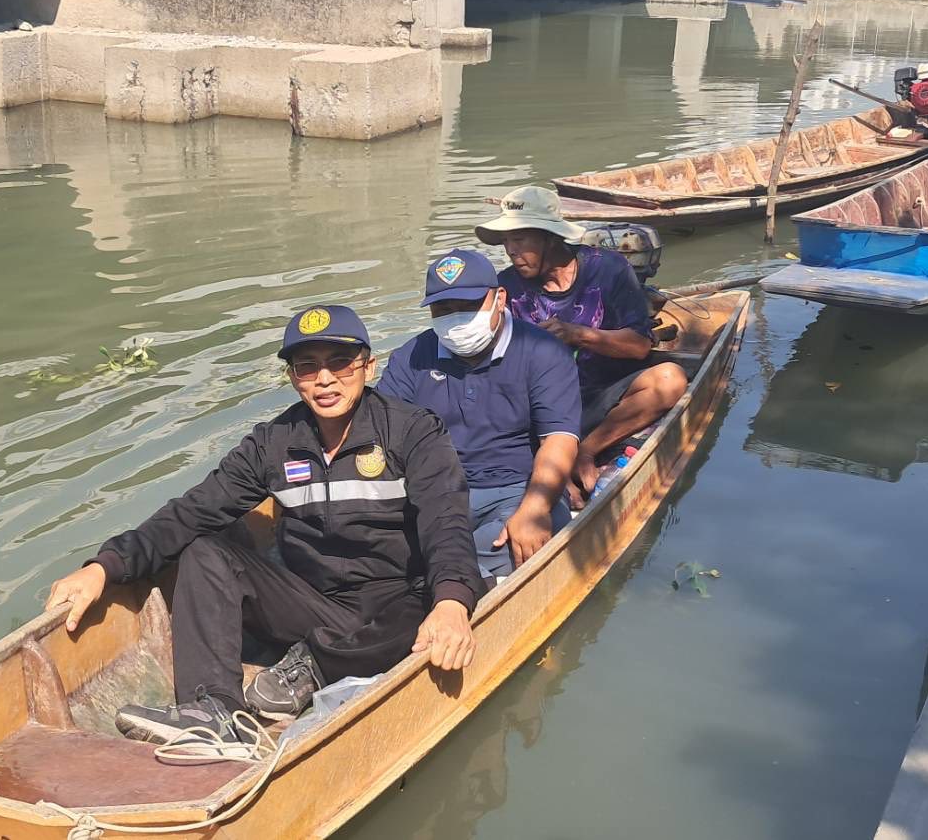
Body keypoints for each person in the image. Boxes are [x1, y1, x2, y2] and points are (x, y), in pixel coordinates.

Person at [42, 305, 485, 755]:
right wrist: (104, 566)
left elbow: (445, 521)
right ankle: (212, 710)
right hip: (314, 602)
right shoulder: (273, 444)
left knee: (430, 604)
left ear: (367, 366)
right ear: (292, 377)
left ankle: (313, 665)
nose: (325, 379)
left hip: (396, 603)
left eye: (339, 363)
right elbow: (192, 512)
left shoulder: (412, 432)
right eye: (307, 367)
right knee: (205, 550)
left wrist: (451, 601)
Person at [377, 249, 581, 579]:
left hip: (515, 489)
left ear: (500, 298)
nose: (455, 318)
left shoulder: (542, 351)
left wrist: (535, 509)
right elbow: (382, 432)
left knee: (509, 549)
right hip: (433, 489)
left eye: (468, 306)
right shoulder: (411, 357)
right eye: (443, 309)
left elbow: (558, 439)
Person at [477, 186, 688, 503]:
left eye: (519, 239)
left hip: (604, 395)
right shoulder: (506, 287)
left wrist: (579, 334)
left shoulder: (609, 269)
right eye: (506, 241)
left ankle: (586, 449)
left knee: (670, 380)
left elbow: (640, 346)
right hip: (543, 408)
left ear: (550, 236)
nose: (510, 249)